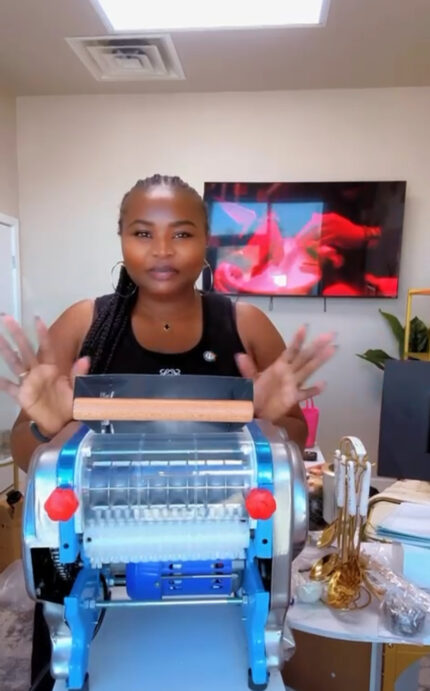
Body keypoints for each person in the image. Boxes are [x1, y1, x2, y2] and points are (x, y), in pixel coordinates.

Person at [0, 174, 336, 690]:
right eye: (142, 233)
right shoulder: (84, 324)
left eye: (181, 233)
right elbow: (27, 447)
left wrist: (266, 421)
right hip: (95, 566)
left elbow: (291, 439)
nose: (162, 250)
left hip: (222, 561)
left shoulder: (244, 325)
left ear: (206, 241)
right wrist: (48, 427)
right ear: (121, 239)